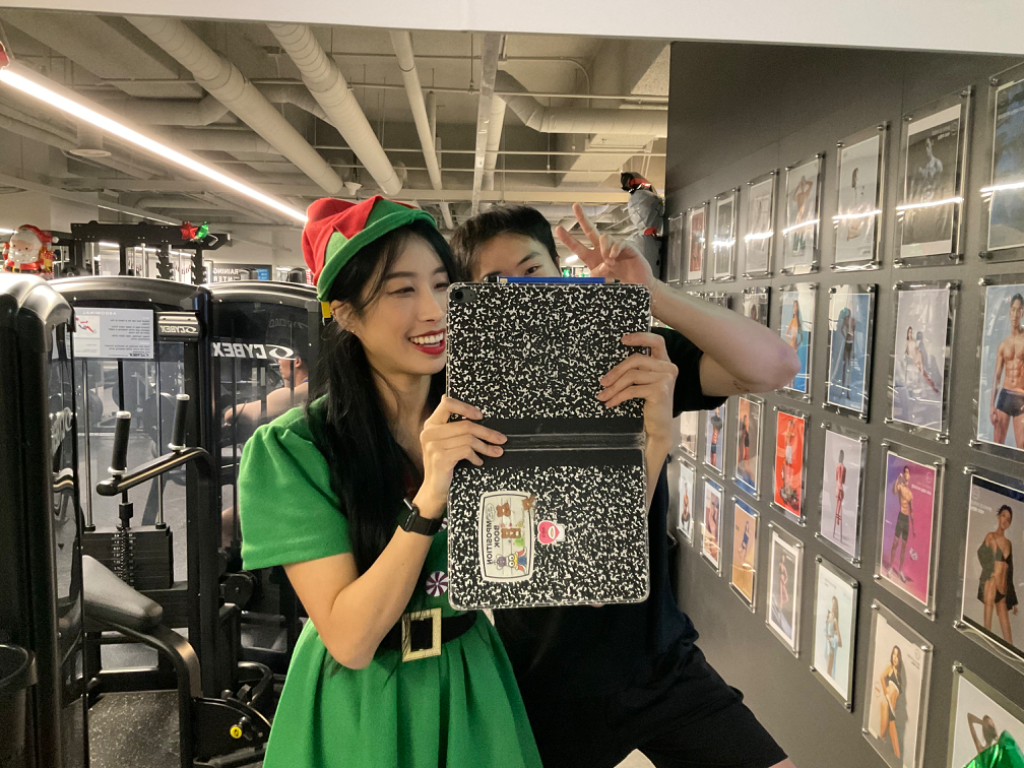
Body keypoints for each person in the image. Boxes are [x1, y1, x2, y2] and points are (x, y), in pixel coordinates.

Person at [451, 204, 798, 768]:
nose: (520, 290)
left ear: (559, 271)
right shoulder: (467, 392)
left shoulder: (629, 355)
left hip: (659, 662)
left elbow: (775, 366)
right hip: (541, 681)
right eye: (495, 282)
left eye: (532, 269)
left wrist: (651, 294)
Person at [235, 196, 544, 767]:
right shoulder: (296, 450)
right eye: (402, 291)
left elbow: (561, 562)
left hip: (471, 681)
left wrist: (648, 437)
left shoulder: (492, 422)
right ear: (346, 313)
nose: (434, 311)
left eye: (443, 285)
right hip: (362, 703)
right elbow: (351, 640)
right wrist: (430, 497)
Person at [978, 504, 1018, 645]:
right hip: (991, 584)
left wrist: (1013, 600)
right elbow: (981, 554)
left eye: (1008, 519)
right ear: (998, 516)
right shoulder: (990, 536)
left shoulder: (1008, 543)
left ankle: (1011, 652)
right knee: (987, 628)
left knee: (1007, 633)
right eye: (1003, 516)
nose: (1005, 521)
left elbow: (1010, 571)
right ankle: (985, 648)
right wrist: (991, 571)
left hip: (1002, 588)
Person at [989, 293, 1024, 449]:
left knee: (1022, 449)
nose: (1015, 314)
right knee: (997, 445)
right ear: (1009, 312)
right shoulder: (1003, 345)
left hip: (1021, 397)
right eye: (1013, 310)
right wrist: (991, 405)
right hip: (1005, 396)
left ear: (1022, 313)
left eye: (1019, 310)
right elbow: (996, 377)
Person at [888, 466, 915, 583]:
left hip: (906, 519)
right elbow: (893, 491)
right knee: (895, 543)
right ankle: (890, 567)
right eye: (905, 472)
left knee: (903, 546)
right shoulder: (900, 487)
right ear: (904, 474)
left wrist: (913, 528)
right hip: (901, 517)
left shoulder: (910, 494)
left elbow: (911, 510)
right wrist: (897, 480)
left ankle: (900, 570)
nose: (907, 475)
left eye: (908, 473)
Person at [877, 645, 904, 759]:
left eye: (897, 655)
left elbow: (896, 695)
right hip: (886, 703)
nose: (895, 658)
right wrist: (886, 694)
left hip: (892, 708)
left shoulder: (899, 676)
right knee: (883, 734)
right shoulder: (890, 667)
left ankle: (897, 760)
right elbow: (881, 677)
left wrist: (894, 705)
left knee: (892, 737)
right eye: (894, 654)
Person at [785, 300, 804, 390]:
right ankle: (789, 384)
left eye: (796, 306)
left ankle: (793, 384)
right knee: (791, 365)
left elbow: (801, 336)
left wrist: (798, 344)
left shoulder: (798, 322)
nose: (795, 308)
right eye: (794, 306)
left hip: (795, 345)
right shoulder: (792, 321)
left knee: (795, 366)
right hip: (792, 345)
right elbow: (786, 333)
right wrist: (790, 342)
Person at [839, 300, 857, 394]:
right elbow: (841, 329)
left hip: (851, 342)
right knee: (844, 365)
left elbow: (854, 333)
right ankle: (842, 388)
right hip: (846, 343)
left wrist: (854, 348)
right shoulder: (846, 319)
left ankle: (848, 389)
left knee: (849, 366)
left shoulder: (853, 320)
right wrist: (844, 336)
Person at [824, 595, 842, 679]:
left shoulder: (835, 621)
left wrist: (831, 639)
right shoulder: (829, 616)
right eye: (832, 604)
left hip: (831, 647)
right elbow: (825, 630)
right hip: (827, 645)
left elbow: (839, 642)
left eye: (834, 605)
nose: (832, 607)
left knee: (829, 671)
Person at [834, 450, 847, 541]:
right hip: (841, 487)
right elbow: (843, 481)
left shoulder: (837, 466)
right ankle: (838, 521)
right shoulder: (844, 468)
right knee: (839, 505)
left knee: (837, 504)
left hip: (837, 487)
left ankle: (836, 521)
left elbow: (836, 478)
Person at [738, 413, 751, 481]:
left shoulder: (745, 432)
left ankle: (745, 467)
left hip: (746, 442)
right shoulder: (744, 431)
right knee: (744, 454)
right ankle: (744, 467)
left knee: (746, 454)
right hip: (744, 441)